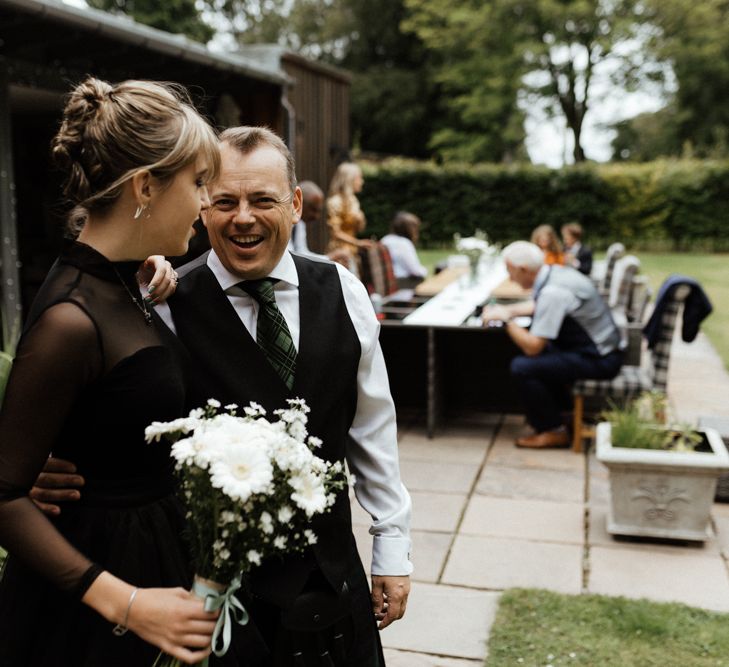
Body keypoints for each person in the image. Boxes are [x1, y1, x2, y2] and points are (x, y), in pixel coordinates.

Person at [33, 126, 412, 666]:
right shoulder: (159, 303)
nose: (243, 218)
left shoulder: (344, 290)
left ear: (297, 204)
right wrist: (47, 461)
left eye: (263, 200)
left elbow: (373, 430)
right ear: (201, 207)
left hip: (334, 580)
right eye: (224, 201)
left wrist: (392, 548)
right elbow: (105, 411)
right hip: (215, 596)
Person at [0, 77, 222, 665]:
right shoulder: (71, 320)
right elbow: (3, 493)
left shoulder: (124, 283)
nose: (206, 203)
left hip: (153, 555)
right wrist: (126, 603)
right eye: (198, 182)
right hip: (95, 607)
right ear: (145, 185)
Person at [481, 241, 622, 448]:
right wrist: (508, 310)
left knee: (523, 367)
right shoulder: (555, 274)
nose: (510, 279)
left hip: (600, 359)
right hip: (600, 350)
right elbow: (540, 306)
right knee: (540, 358)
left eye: (510, 272)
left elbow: (533, 346)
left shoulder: (553, 291)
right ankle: (562, 416)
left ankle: (552, 430)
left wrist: (506, 321)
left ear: (523, 269)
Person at [288, 180, 350, 267]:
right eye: (313, 210)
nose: (316, 216)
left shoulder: (300, 224)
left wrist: (329, 258)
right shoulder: (284, 223)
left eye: (318, 211)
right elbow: (289, 256)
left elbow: (301, 253)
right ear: (298, 202)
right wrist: (329, 258)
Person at [326, 161, 374, 262]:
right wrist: (358, 242)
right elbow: (335, 233)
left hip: (352, 250)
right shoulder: (335, 202)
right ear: (350, 179)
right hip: (339, 251)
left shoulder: (354, 201)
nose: (362, 181)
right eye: (359, 178)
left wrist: (360, 220)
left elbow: (360, 229)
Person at [381, 211, 428, 289]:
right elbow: (415, 271)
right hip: (403, 285)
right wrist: (425, 271)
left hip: (386, 286)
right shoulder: (404, 243)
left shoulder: (385, 240)